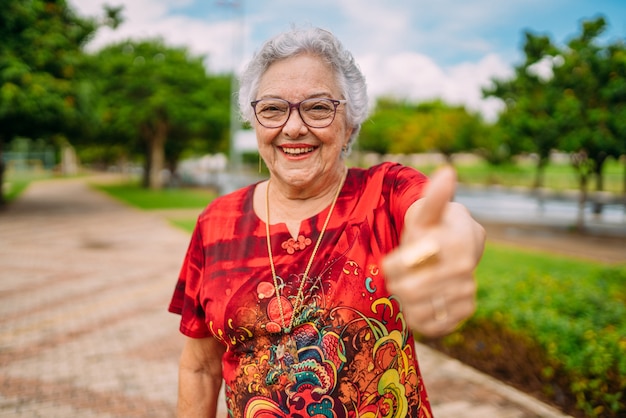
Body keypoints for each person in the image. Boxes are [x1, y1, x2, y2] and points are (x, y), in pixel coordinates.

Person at [169, 26, 485, 418]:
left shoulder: (384, 193)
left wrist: (447, 244)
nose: (294, 126)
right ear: (254, 123)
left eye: (318, 107)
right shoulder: (217, 222)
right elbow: (199, 366)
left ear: (350, 123)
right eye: (272, 109)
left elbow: (447, 221)